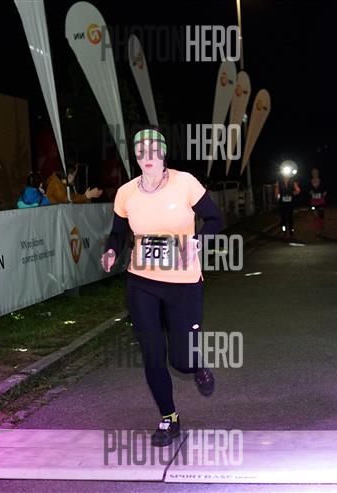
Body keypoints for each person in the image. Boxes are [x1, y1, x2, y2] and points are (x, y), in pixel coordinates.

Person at [100, 126, 224, 447]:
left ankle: (195, 365)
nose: (148, 157)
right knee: (153, 354)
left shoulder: (185, 183)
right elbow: (118, 232)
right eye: (141, 151)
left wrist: (197, 242)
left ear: (163, 153)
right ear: (136, 156)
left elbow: (215, 220)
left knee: (181, 359)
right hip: (142, 282)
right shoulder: (126, 192)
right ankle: (169, 418)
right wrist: (111, 250)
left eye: (153, 150)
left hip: (183, 283)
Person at [274, 164, 301, 236]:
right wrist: (277, 197)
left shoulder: (292, 181)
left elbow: (298, 190)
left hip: (290, 202)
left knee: (290, 217)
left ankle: (291, 230)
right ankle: (284, 230)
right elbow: (276, 191)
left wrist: (293, 193)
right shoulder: (279, 181)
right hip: (282, 202)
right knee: (283, 217)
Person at [309, 167, 327, 232]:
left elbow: (325, 189)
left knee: (321, 214)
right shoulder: (309, 181)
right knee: (315, 215)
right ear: (312, 174)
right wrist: (310, 192)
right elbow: (307, 190)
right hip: (313, 201)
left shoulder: (322, 181)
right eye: (313, 172)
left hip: (321, 201)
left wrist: (324, 193)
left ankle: (321, 225)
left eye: (316, 172)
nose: (315, 174)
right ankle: (317, 229)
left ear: (318, 173)